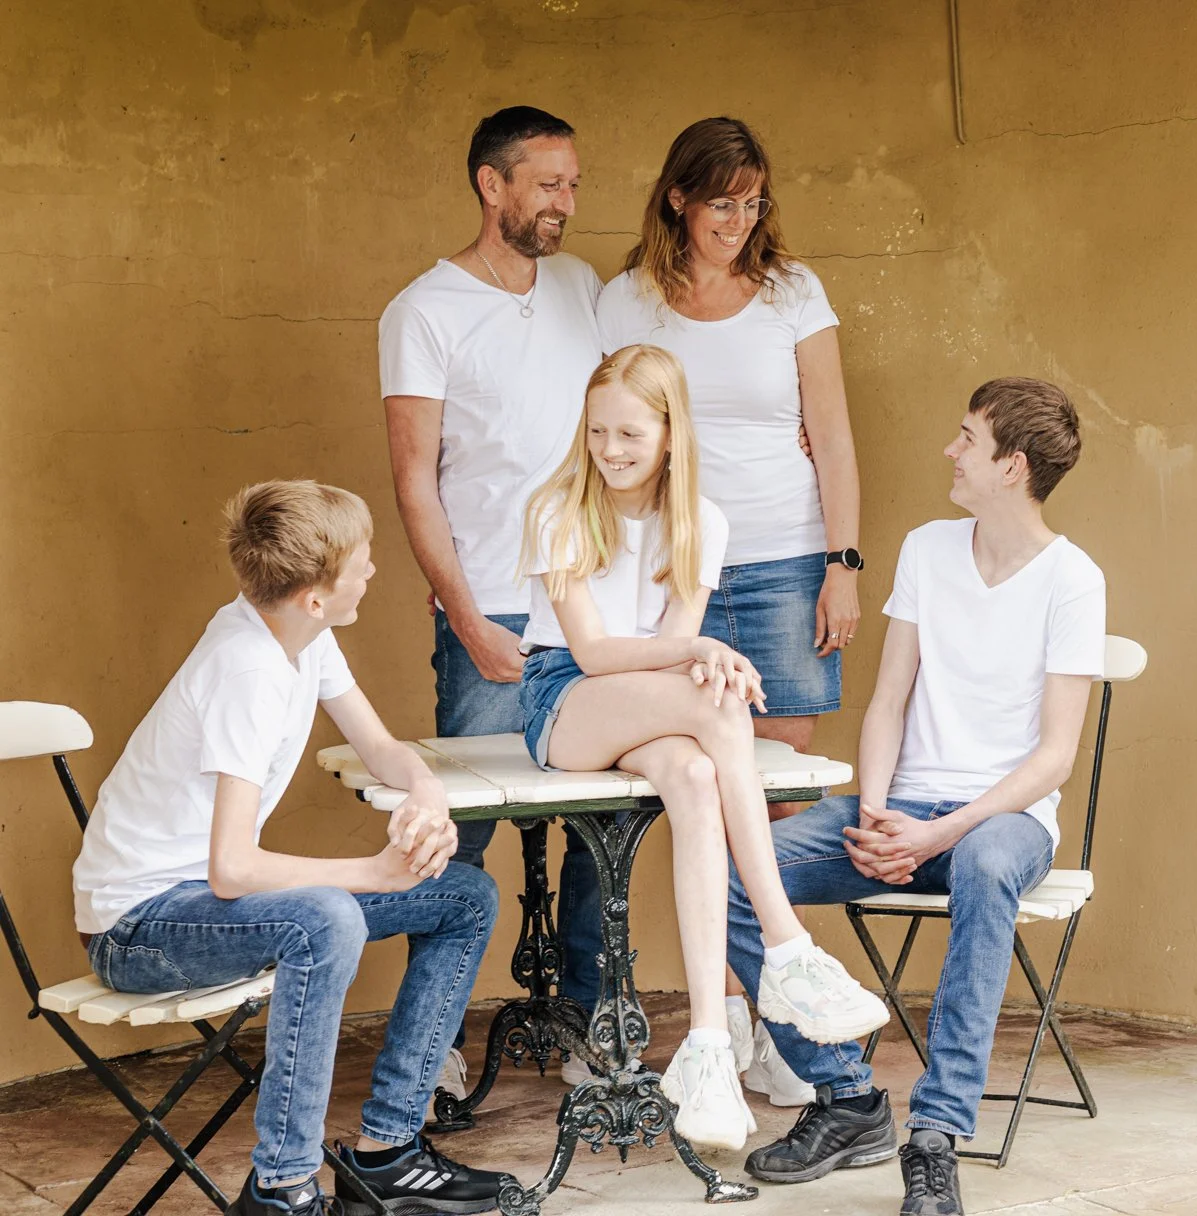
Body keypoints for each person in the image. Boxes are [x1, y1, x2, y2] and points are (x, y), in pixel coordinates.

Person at [71, 481, 509, 1216]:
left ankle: (388, 1154)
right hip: (138, 928)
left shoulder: (301, 635)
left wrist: (427, 793)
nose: (373, 570)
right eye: (362, 562)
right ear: (314, 596)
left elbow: (377, 746)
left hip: (201, 908)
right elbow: (233, 868)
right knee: (325, 921)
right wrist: (374, 872)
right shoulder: (247, 671)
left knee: (464, 898)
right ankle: (281, 1187)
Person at [722, 378, 1106, 1216]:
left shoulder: (1073, 580)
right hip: (898, 812)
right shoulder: (929, 548)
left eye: (967, 438)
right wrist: (874, 814)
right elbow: (888, 702)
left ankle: (935, 1137)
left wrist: (940, 835)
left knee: (986, 864)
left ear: (1013, 466)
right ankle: (848, 1098)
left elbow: (1054, 758)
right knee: (730, 873)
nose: (950, 451)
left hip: (1001, 822)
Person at [516, 344, 887, 1151]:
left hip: (653, 704)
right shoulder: (558, 508)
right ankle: (786, 949)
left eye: (630, 435)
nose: (609, 450)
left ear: (671, 434)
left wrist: (694, 655)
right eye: (598, 431)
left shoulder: (701, 523)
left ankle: (709, 1047)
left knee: (692, 773)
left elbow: (672, 650)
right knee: (718, 701)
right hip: (564, 699)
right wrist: (699, 655)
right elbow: (593, 654)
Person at [597, 115, 863, 1104]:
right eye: (721, 203)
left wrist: (842, 563)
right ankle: (734, 1011)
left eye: (753, 203)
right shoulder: (628, 300)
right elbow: (605, 431)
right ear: (677, 199)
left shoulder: (793, 292)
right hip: (676, 570)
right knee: (703, 791)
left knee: (779, 802)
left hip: (788, 562)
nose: (739, 221)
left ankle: (781, 1023)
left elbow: (832, 433)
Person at [379, 105, 606, 1087]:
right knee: (457, 836)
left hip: (591, 612)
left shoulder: (583, 288)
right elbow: (413, 481)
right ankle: (428, 1051)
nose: (565, 202)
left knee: (605, 829)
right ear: (491, 184)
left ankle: (597, 1029)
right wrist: (466, 617)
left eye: (572, 184)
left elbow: (641, 408)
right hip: (492, 612)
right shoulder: (423, 312)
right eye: (548, 184)